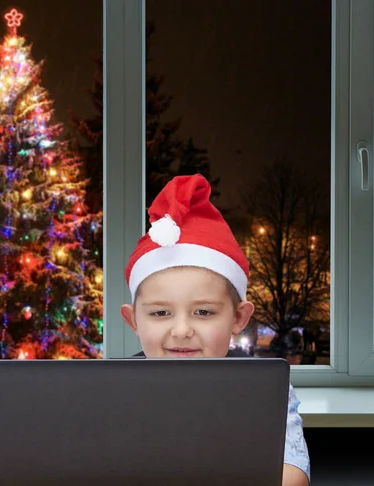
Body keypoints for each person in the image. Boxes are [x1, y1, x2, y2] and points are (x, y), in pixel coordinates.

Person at [120, 174, 310, 486]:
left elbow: (292, 476)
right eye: (161, 312)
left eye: (203, 312)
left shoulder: (264, 389)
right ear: (133, 321)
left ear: (238, 318)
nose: (181, 330)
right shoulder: (112, 390)